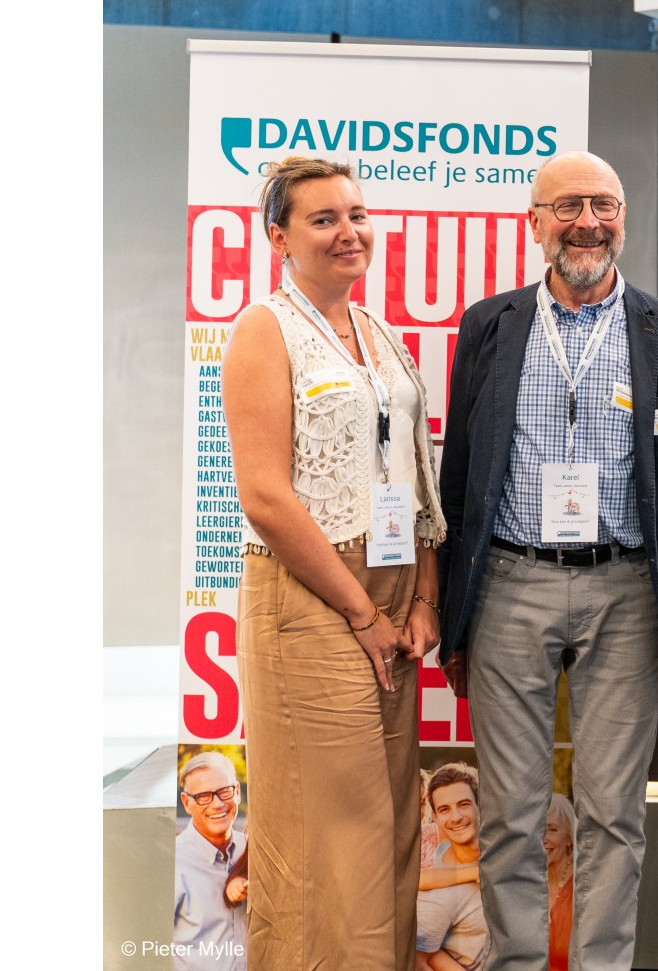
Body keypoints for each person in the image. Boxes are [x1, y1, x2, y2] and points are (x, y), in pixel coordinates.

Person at [437, 150, 658, 971]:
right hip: (510, 584)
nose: (587, 221)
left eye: (604, 204)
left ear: (623, 216)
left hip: (627, 591)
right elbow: (460, 473)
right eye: (568, 207)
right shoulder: (489, 324)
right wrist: (454, 616)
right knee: (513, 811)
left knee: (613, 813)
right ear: (535, 222)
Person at [222, 156, 444, 970]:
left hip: (388, 593)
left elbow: (418, 474)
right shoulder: (262, 328)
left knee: (388, 822)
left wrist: (421, 596)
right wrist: (361, 610)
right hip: (313, 596)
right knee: (329, 830)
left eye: (356, 214)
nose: (348, 232)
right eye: (323, 219)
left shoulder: (379, 332)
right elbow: (266, 498)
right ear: (279, 236)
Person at [173, 752, 247, 971]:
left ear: (237, 792)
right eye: (204, 796)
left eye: (224, 792)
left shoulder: (257, 851)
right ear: (187, 802)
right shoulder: (171, 863)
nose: (217, 804)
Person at [416, 764, 491, 971]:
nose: (456, 817)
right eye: (444, 809)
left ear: (480, 806)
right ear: (436, 818)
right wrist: (475, 872)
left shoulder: (504, 855)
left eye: (464, 804)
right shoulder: (441, 896)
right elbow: (419, 959)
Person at [543, 793, 576, 971]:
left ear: (569, 837)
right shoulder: (526, 882)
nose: (543, 838)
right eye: (538, 829)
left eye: (552, 829)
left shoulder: (581, 886)